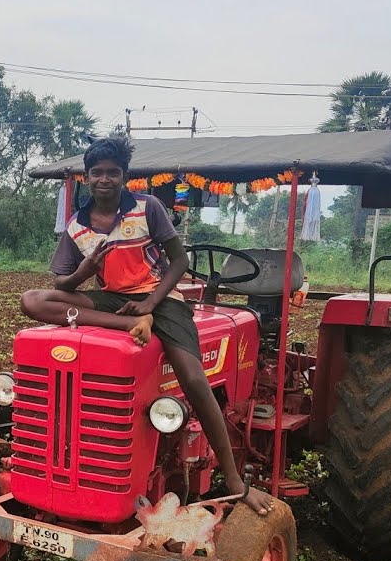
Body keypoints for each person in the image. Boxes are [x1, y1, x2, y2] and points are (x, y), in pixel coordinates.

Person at [21, 133, 272, 515]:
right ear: (87, 177)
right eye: (97, 173)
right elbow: (61, 282)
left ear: (124, 176)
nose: (105, 179)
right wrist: (85, 271)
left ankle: (236, 482)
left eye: (113, 173)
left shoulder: (147, 206)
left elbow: (179, 261)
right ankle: (123, 326)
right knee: (33, 300)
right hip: (112, 301)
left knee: (192, 377)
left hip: (160, 297)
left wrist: (151, 303)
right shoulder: (77, 225)